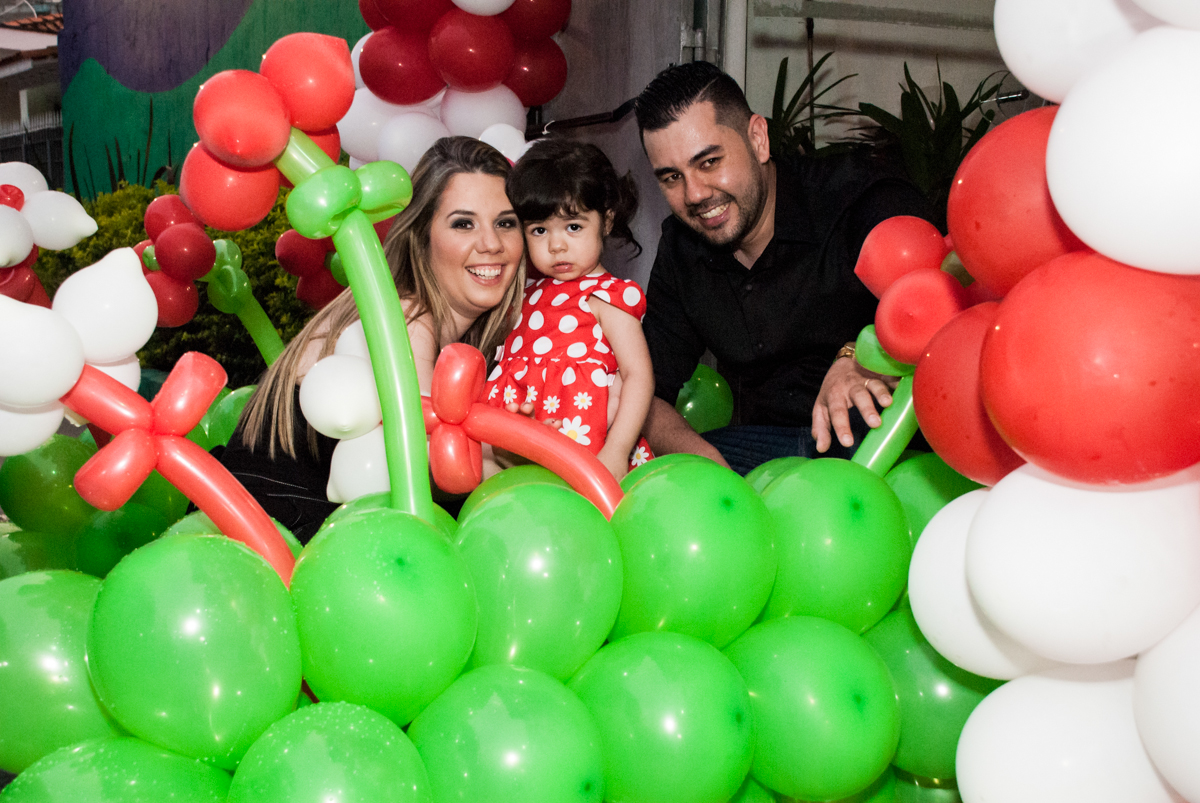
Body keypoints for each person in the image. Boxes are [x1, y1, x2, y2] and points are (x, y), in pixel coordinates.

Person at [215, 137, 526, 541]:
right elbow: (439, 466)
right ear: (420, 235)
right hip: (266, 536)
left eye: (506, 222)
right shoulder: (407, 317)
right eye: (463, 223)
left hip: (312, 532)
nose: (491, 244)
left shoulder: (469, 337)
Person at [633, 61, 933, 474]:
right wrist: (706, 470)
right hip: (767, 453)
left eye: (708, 162)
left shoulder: (861, 199)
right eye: (671, 177)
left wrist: (858, 356)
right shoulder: (680, 250)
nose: (695, 194)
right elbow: (645, 391)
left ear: (757, 139)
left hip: (887, 451)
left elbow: (940, 296)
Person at [484, 138, 654, 480]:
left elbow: (638, 376)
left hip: (589, 447)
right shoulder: (526, 294)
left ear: (606, 222)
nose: (556, 245)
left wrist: (617, 450)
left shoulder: (608, 296)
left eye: (573, 227)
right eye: (539, 230)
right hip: (519, 455)